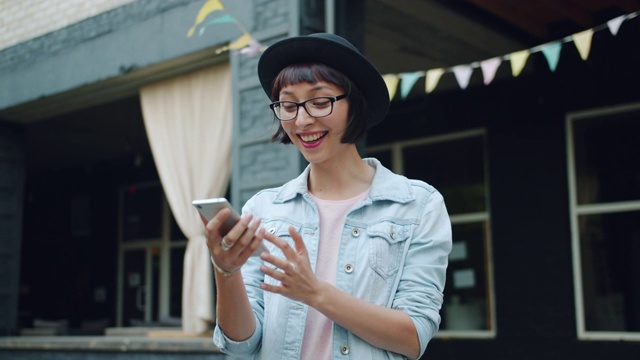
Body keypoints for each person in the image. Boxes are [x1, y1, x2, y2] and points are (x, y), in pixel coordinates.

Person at [203, 33, 451, 360]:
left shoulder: (418, 205)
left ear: (355, 104)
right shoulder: (262, 209)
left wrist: (315, 292)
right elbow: (240, 344)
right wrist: (226, 272)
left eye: (320, 102)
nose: (302, 120)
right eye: (288, 105)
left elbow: (413, 337)